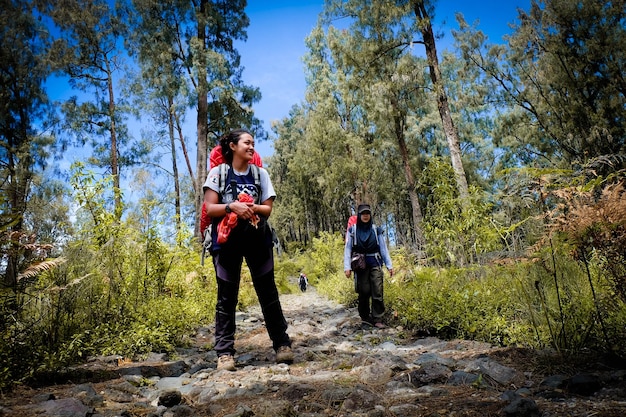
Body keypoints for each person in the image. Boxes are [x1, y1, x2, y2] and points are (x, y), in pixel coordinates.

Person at [203, 128, 293, 371]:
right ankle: (224, 354)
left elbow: (267, 209)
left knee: (268, 293)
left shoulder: (260, 174)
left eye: (253, 143)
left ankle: (282, 345)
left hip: (257, 239)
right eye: (247, 143)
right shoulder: (217, 173)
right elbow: (210, 209)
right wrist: (233, 206)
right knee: (226, 297)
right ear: (232, 146)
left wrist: (248, 207)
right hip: (226, 243)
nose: (252, 147)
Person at [343, 204, 394, 328]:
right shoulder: (353, 230)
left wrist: (389, 265)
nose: (365, 216)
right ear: (359, 215)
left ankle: (378, 318)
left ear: (370, 215)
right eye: (363, 213)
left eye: (367, 213)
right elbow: (348, 249)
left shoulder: (376, 230)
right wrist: (347, 267)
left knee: (377, 291)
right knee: (363, 291)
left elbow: (383, 248)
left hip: (375, 263)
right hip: (360, 266)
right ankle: (365, 318)